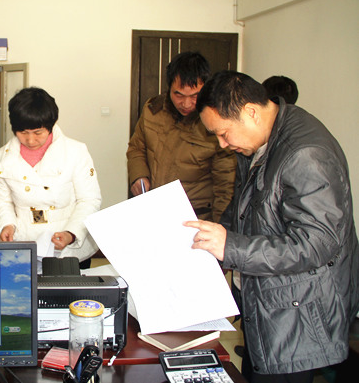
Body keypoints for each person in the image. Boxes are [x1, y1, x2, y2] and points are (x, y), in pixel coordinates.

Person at [186, 70, 359, 383]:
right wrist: (212, 242)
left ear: (251, 112)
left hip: (299, 315)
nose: (222, 144)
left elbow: (317, 243)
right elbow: (244, 207)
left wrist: (231, 247)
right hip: (268, 301)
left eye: (223, 133)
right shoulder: (258, 141)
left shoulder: (305, 154)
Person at [0, 87, 101, 267]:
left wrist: (71, 233)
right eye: (23, 132)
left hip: (67, 247)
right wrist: (7, 225)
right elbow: (1, 199)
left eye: (38, 133)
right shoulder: (3, 156)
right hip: (24, 242)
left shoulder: (75, 152)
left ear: (50, 126)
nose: (30, 140)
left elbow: (89, 200)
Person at [126, 51, 236, 222]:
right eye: (179, 95)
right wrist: (139, 176)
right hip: (153, 212)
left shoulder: (216, 123)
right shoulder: (153, 110)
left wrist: (220, 227)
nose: (186, 104)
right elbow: (136, 148)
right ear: (169, 88)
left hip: (195, 218)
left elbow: (225, 186)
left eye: (195, 96)